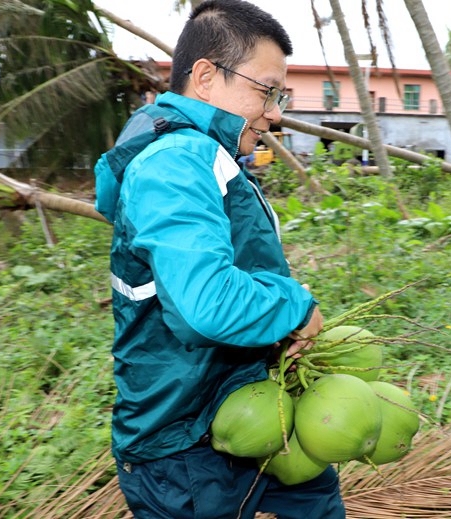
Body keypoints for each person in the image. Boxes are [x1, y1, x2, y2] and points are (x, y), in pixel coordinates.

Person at [93, 1, 345, 517]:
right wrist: (293, 308)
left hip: (247, 401)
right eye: (266, 91)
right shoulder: (174, 162)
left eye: (280, 95)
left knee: (318, 500)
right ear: (206, 77)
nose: (275, 112)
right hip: (186, 443)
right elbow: (205, 302)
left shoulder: (207, 155)